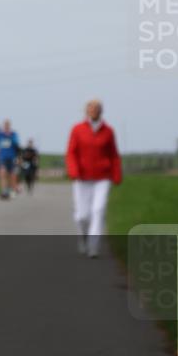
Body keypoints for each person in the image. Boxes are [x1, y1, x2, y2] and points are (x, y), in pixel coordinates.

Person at [65, 99, 122, 258]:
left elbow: (114, 154)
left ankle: (93, 246)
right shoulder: (77, 129)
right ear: (86, 111)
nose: (94, 110)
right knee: (82, 215)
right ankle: (83, 237)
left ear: (101, 111)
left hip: (102, 178)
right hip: (82, 178)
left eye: (97, 108)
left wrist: (116, 173)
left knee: (98, 210)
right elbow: (71, 152)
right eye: (91, 108)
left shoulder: (108, 131)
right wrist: (74, 170)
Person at [0, 120, 20, 199]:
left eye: (7, 125)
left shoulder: (13, 134)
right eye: (5, 125)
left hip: (12, 157)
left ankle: (11, 189)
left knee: (12, 175)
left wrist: (10, 137)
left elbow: (16, 144)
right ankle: (3, 191)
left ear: (9, 126)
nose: (6, 127)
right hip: (2, 157)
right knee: (2, 172)